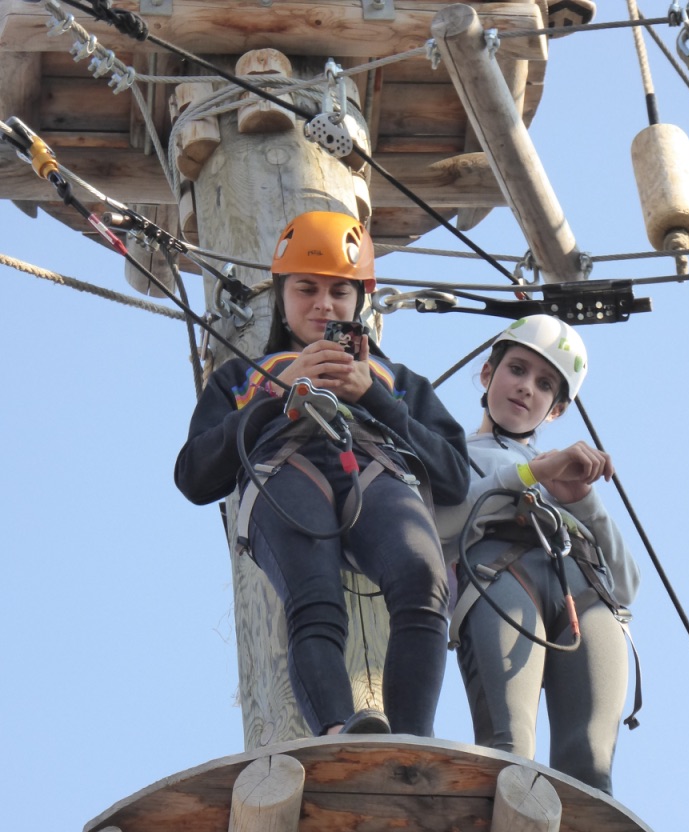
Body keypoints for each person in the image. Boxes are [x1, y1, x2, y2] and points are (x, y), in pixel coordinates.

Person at [175, 210, 469, 737]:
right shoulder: (243, 375)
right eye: (306, 289)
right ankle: (336, 732)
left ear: (360, 300)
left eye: (339, 291)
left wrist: (372, 395)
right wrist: (274, 393)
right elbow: (195, 475)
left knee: (423, 579)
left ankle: (410, 740)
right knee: (314, 598)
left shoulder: (395, 380)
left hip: (373, 470)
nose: (323, 304)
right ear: (281, 294)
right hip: (284, 470)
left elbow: (453, 476)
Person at [436, 315, 639, 794]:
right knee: (510, 748)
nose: (527, 387)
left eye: (545, 384)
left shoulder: (564, 475)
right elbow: (438, 523)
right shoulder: (454, 455)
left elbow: (626, 584)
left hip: (583, 589)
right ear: (488, 374)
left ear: (556, 410)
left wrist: (583, 501)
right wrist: (530, 476)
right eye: (517, 370)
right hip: (501, 573)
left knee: (590, 768)